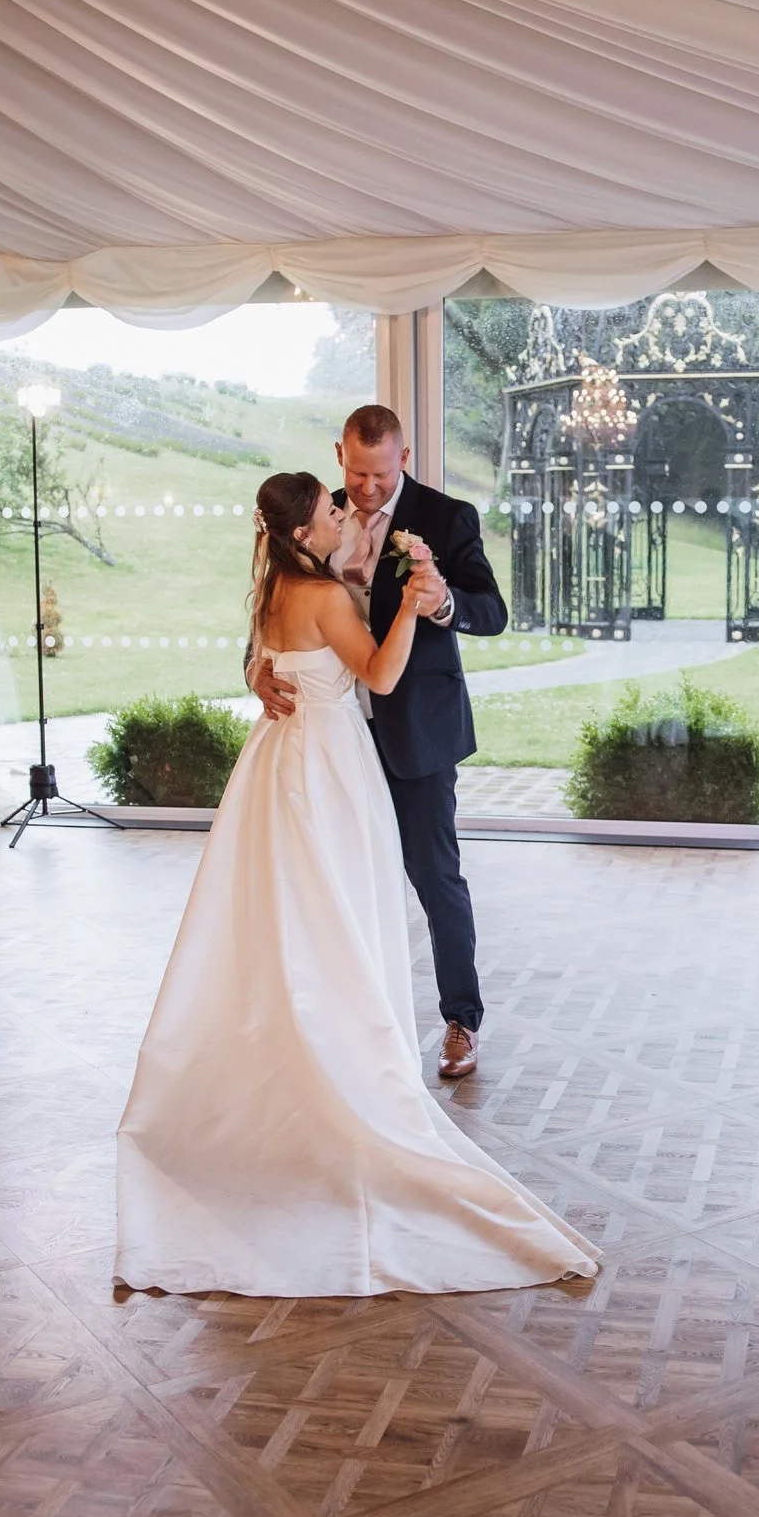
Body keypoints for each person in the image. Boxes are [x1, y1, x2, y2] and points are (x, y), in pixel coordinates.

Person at [113, 472, 597, 1296]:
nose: (347, 503)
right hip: (332, 767)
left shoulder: (278, 580)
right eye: (333, 503)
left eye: (353, 493)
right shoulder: (324, 592)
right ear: (306, 528)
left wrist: (430, 597)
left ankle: (348, 1043)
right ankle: (346, 1065)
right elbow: (377, 675)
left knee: (298, 919)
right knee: (338, 915)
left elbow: (283, 647)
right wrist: (407, 606)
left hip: (290, 763)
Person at [252, 405, 503, 1080]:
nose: (366, 489)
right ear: (340, 454)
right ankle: (338, 1024)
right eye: (357, 473)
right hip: (330, 739)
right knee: (333, 883)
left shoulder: (446, 518)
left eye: (381, 474)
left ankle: (461, 1019)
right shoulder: (314, 514)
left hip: (416, 732)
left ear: (405, 458)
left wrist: (442, 603)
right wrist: (257, 669)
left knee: (435, 876)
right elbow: (272, 607)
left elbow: (493, 611)